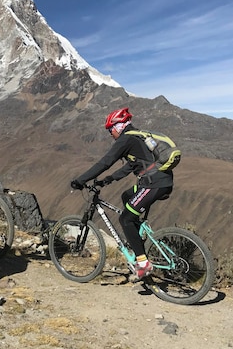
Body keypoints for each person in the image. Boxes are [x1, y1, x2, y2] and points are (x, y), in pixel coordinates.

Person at [70, 107, 174, 282]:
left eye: (111, 130)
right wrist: (107, 180)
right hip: (160, 181)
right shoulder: (136, 138)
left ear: (119, 126)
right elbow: (130, 167)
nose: (111, 134)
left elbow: (105, 162)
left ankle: (143, 264)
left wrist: (81, 180)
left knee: (125, 219)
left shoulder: (126, 139)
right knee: (127, 197)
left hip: (153, 183)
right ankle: (137, 235)